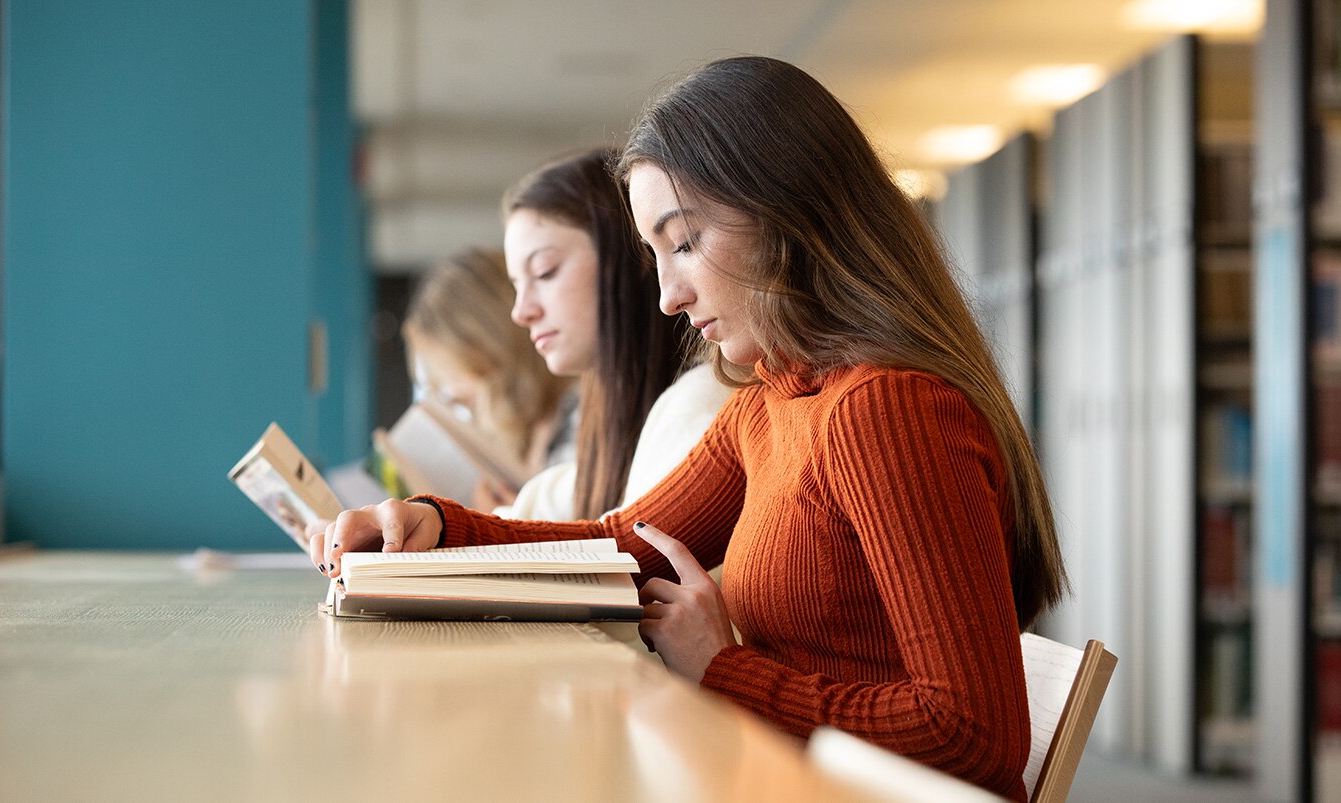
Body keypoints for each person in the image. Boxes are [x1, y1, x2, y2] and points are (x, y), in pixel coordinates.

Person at [311, 56, 1067, 802]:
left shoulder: (885, 409)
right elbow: (622, 545)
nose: (669, 296)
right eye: (654, 254)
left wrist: (725, 671)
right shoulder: (772, 400)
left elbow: (974, 735)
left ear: (786, 214)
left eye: (684, 241)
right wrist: (435, 529)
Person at [495, 148, 733, 521]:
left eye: (544, 273)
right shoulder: (609, 420)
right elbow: (550, 504)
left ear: (630, 257)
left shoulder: (698, 406)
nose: (521, 311)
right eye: (516, 285)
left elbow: (630, 558)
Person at [401, 247, 578, 505]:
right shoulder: (522, 432)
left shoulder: (579, 418)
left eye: (451, 370)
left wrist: (499, 523)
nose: (451, 390)